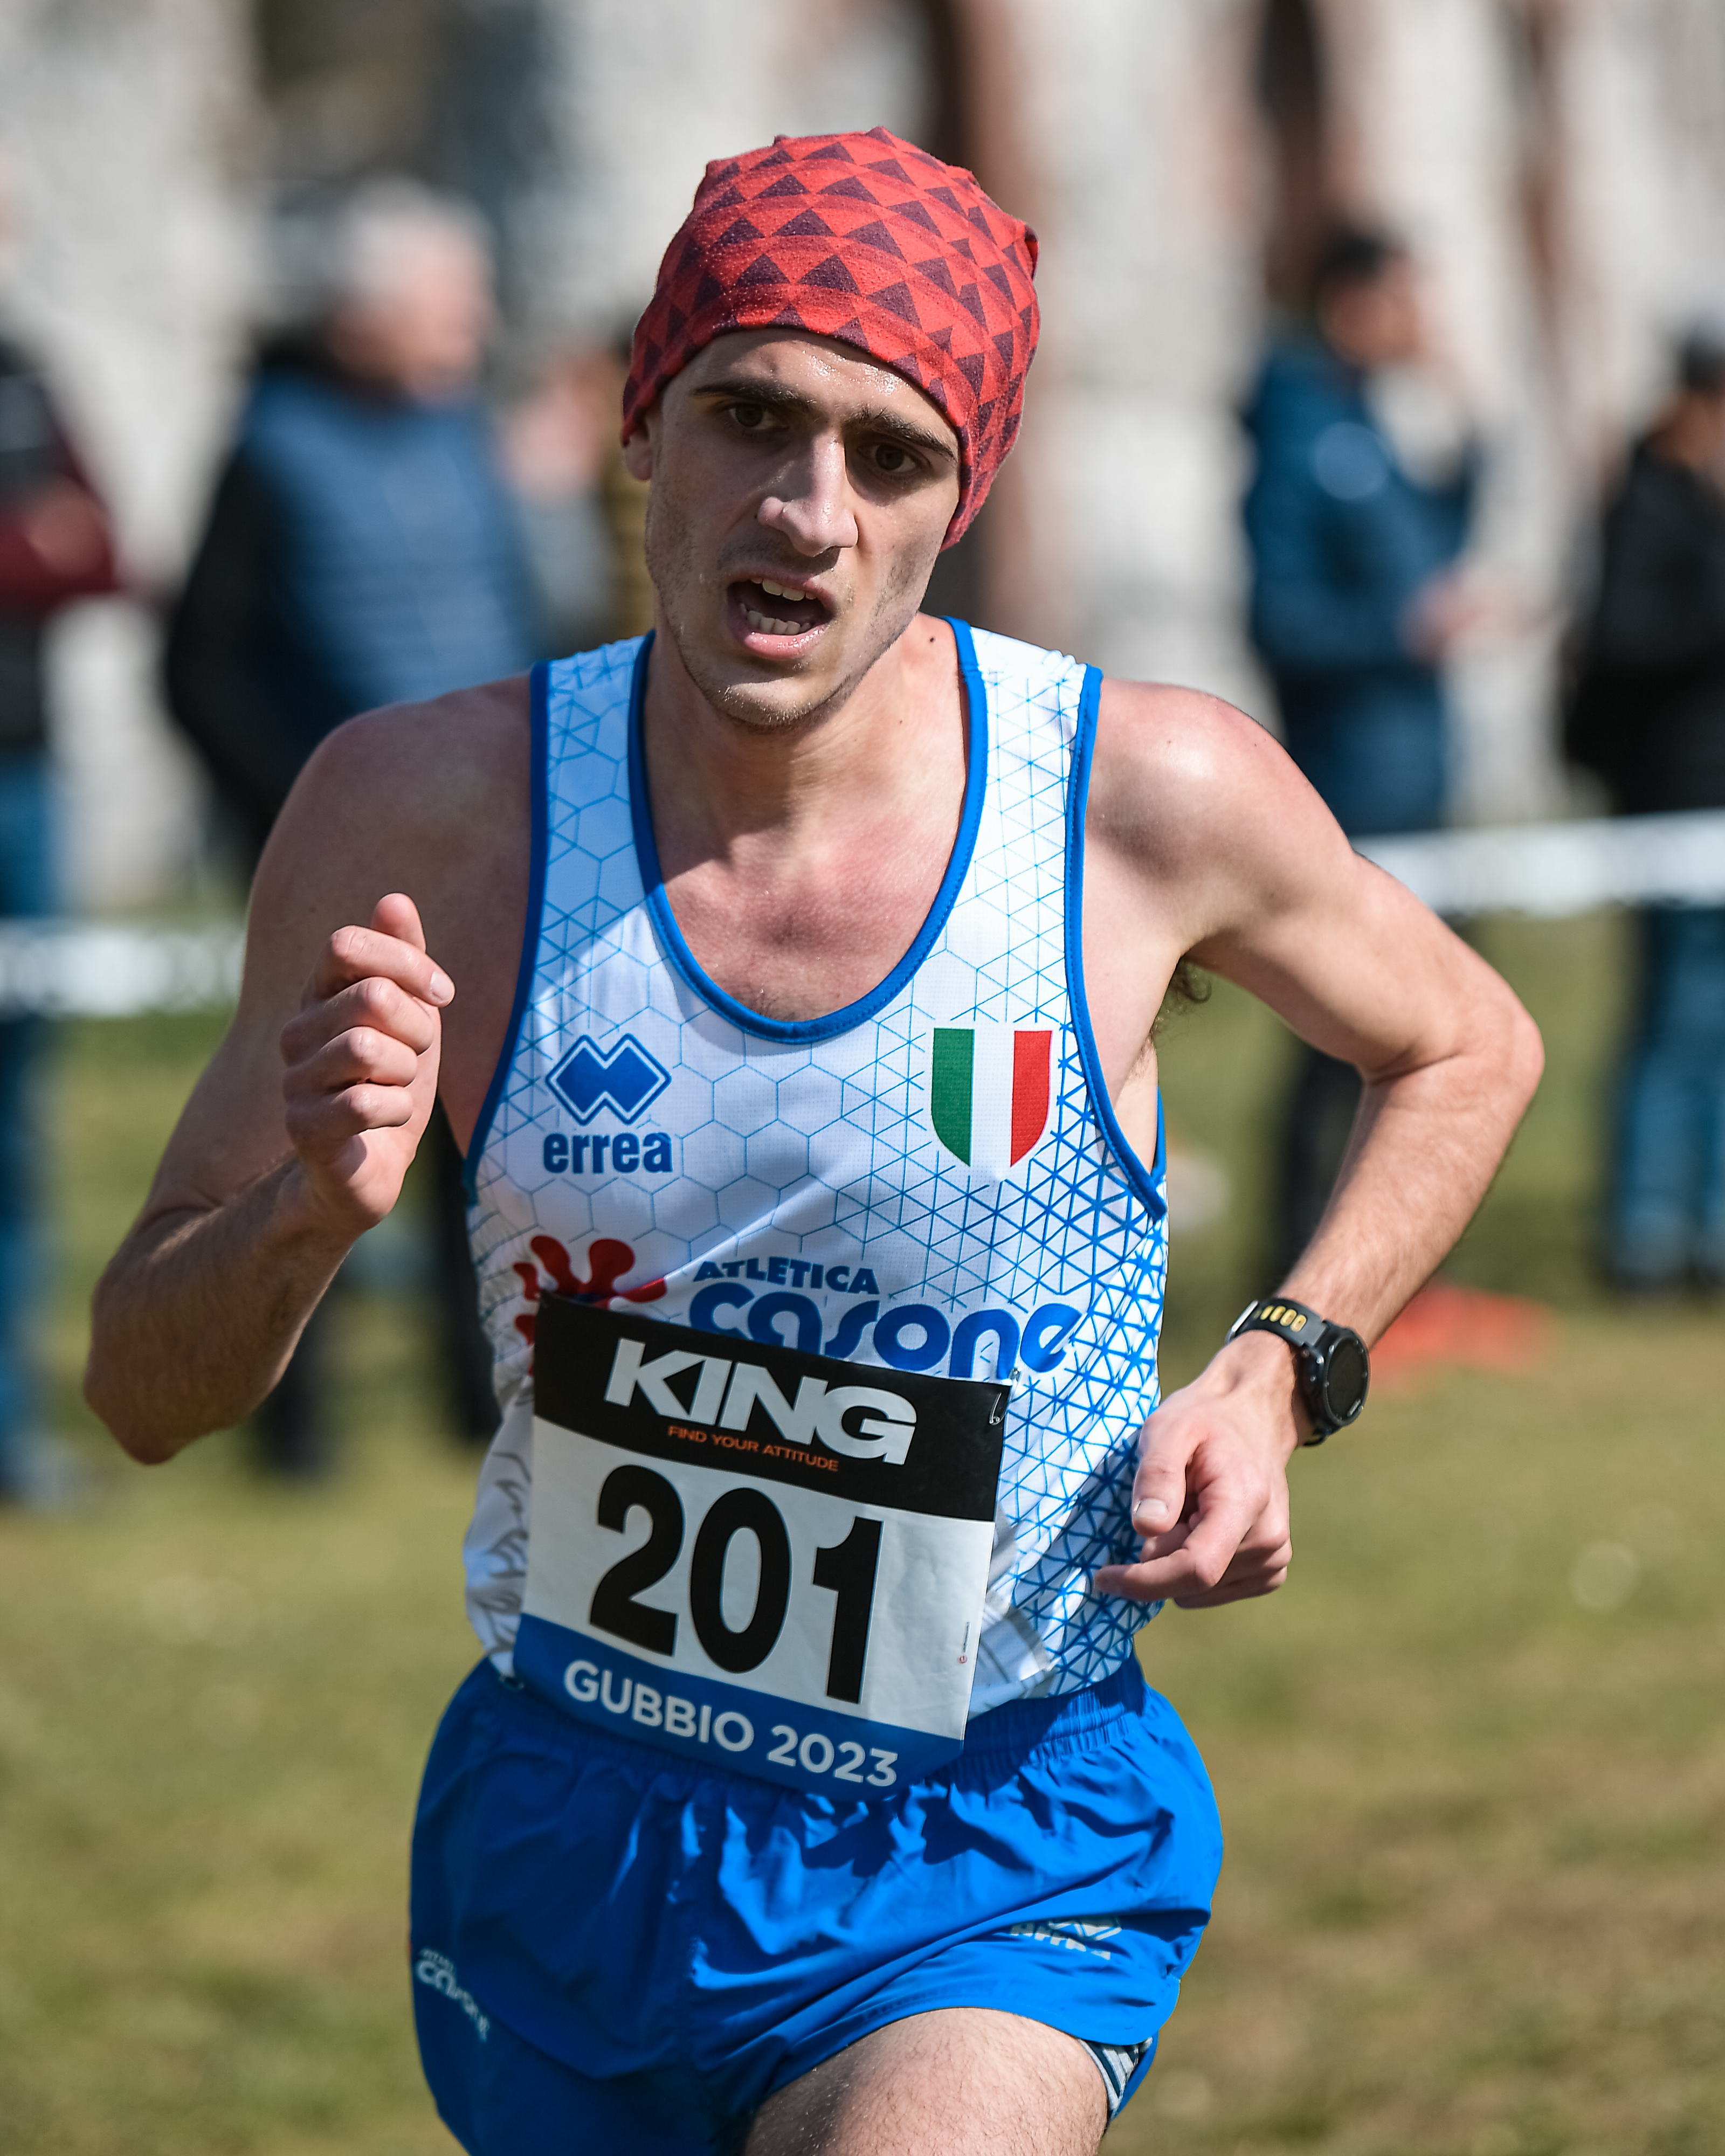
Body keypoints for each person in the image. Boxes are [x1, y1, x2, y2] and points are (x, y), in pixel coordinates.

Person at [87, 129, 1542, 2154]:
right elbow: (142, 1391)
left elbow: (1468, 1042)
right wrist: (312, 1217)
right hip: (575, 1829)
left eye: (891, 452)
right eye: (750, 417)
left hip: (993, 1838)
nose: (807, 511)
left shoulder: (1137, 798)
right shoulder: (422, 814)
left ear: (965, 496)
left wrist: (1283, 1366)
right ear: (640, 426)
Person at [165, 179, 541, 1474]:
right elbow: (200, 666)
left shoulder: (462, 430)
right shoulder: (271, 451)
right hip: (339, 849)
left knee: (474, 1122)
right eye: (449, 302)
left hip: (483, 831)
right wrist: (313, 811)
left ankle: (478, 1392)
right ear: (359, 313)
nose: (475, 324)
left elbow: (507, 611)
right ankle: (293, 1421)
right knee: (312, 1123)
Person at [1241, 227, 1482, 1275]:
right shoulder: (1300, 433)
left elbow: (1432, 552)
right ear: (1351, 303)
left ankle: (1403, 1268)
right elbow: (1281, 618)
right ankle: (1299, 1262)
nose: (1422, 321)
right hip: (1349, 782)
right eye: (1405, 299)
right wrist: (1399, 633)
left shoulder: (1374, 424)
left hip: (1419, 776)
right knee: (1339, 1038)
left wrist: (1469, 436)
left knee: (1430, 1033)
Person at [0, 168, 121, 1503]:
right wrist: (35, 541)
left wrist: (50, 544)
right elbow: (52, 545)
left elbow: (105, 550)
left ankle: (10, 1426)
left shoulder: (26, 370)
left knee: (17, 1120)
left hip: (26, 778)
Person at [1566, 326, 1725, 1289]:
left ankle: (1711, 1229)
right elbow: (1625, 636)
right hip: (1673, 794)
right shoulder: (1651, 497)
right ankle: (1646, 1235)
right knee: (1674, 1016)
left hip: (1712, 794)